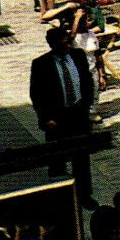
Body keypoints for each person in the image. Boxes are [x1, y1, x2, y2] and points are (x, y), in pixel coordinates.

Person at [29, 26, 98, 207]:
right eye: (62, 45)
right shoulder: (41, 64)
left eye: (67, 43)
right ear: (52, 45)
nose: (66, 47)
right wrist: (45, 118)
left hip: (78, 114)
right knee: (57, 160)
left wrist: (88, 105)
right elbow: (37, 94)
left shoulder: (78, 56)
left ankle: (84, 195)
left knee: (81, 160)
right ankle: (59, 197)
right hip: (57, 119)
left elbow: (86, 81)